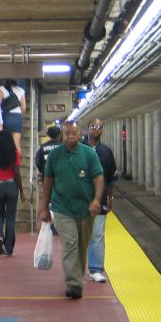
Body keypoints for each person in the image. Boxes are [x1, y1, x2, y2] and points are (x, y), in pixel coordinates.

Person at [39, 121, 105, 299]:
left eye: (74, 133)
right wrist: (43, 207)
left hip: (86, 209)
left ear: (80, 134)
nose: (70, 137)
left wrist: (96, 200)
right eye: (67, 133)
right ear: (62, 135)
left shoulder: (89, 154)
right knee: (70, 244)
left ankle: (76, 278)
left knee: (82, 247)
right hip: (62, 208)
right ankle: (74, 284)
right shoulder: (54, 155)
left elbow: (99, 178)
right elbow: (48, 181)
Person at [84, 119, 117, 283]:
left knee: (97, 235)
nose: (96, 130)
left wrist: (110, 197)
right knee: (79, 236)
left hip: (100, 199)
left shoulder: (106, 152)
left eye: (99, 127)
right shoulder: (79, 149)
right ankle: (76, 268)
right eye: (93, 127)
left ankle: (95, 269)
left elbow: (110, 178)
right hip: (80, 200)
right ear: (87, 129)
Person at [0, 130, 25, 256]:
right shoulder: (15, 153)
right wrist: (22, 191)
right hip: (11, 186)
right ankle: (8, 248)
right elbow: (17, 173)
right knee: (10, 217)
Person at [0, 79, 26, 150]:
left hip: (7, 116)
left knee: (5, 142)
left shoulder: (1, 89)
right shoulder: (21, 90)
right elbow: (24, 107)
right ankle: (17, 161)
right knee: (17, 143)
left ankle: (6, 160)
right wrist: (19, 115)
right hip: (17, 116)